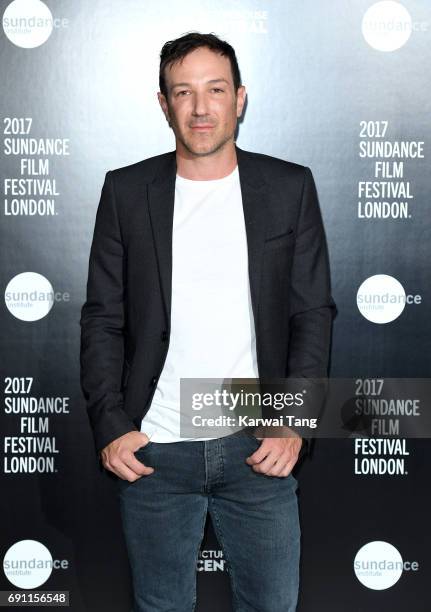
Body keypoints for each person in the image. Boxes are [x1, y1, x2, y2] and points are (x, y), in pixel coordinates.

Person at [80, 31, 337, 612]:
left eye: (215, 89)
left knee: (272, 605)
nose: (201, 108)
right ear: (164, 104)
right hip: (154, 453)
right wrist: (111, 424)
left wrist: (294, 423)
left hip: (257, 446)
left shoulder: (289, 187)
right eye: (184, 92)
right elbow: (102, 320)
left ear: (240, 98)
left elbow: (311, 315)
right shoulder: (126, 191)